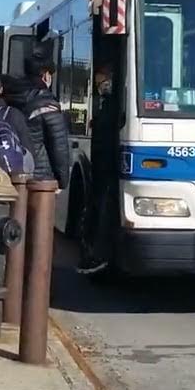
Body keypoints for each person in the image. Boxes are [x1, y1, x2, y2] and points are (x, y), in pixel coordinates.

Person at [3, 52, 70, 189]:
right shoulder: (47, 104)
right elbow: (59, 146)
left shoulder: (8, 96)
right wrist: (62, 180)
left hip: (8, 171)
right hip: (38, 177)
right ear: (46, 75)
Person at [79, 63, 119, 274]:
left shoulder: (111, 105)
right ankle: (93, 252)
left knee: (102, 205)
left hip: (106, 162)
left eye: (103, 80)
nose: (101, 85)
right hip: (103, 162)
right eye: (99, 81)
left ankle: (96, 253)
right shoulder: (107, 103)